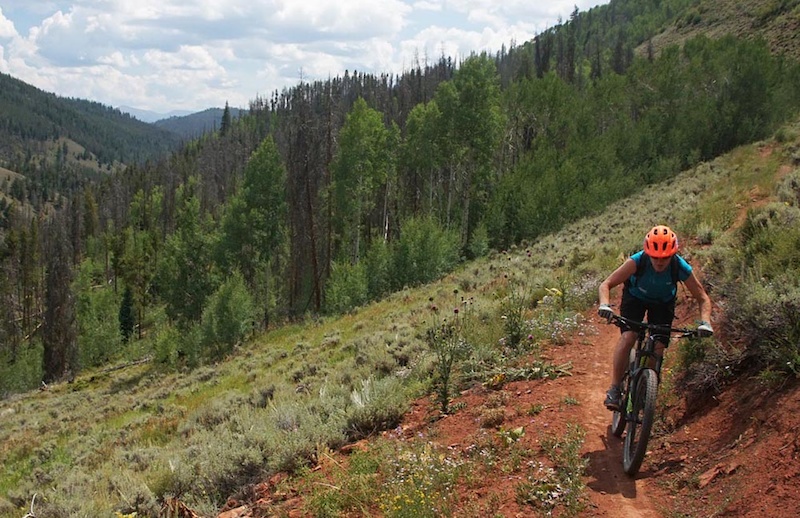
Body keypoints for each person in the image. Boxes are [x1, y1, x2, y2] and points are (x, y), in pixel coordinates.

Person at [597, 225, 713, 411]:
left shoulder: (679, 266)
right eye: (655, 257)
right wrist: (604, 304)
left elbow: (702, 298)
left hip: (662, 303)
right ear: (647, 253)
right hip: (635, 298)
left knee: (657, 347)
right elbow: (606, 284)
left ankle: (645, 389)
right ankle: (615, 388)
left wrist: (705, 322)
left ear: (673, 255)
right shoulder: (637, 261)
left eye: (665, 258)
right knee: (629, 337)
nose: (660, 262)